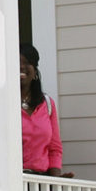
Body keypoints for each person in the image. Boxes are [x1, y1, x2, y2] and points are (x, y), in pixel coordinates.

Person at [20, 42, 74, 178]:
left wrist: (56, 182)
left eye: (27, 62)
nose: (21, 66)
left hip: (43, 185)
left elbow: (54, 148)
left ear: (35, 71)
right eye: (16, 62)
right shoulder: (4, 104)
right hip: (14, 182)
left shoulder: (48, 104)